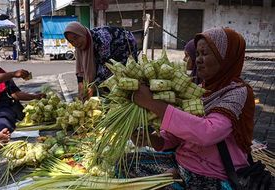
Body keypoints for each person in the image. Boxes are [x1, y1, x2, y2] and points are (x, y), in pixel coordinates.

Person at [132, 28, 255, 189]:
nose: (198, 60)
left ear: (225, 57)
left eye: (205, 53)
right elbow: (178, 136)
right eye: (197, 54)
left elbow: (207, 132)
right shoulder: (200, 89)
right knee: (125, 163)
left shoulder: (239, 93)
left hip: (213, 175)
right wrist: (152, 139)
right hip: (182, 164)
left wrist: (153, 104)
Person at [64, 22, 138, 100]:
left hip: (125, 44)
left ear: (82, 33)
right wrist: (80, 83)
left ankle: (129, 98)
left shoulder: (101, 39)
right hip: (108, 49)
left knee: (122, 73)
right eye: (71, 41)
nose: (75, 43)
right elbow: (80, 68)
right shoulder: (80, 46)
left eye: (76, 38)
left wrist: (93, 87)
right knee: (101, 78)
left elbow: (106, 66)